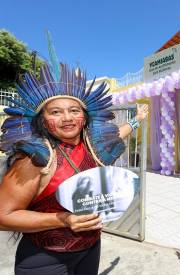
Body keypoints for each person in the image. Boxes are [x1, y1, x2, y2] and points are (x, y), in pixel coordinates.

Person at [0, 63, 148, 275]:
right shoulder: (36, 159)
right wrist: (63, 220)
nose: (67, 118)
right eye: (56, 112)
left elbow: (119, 133)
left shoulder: (93, 148)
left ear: (85, 116)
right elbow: (3, 216)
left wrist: (137, 120)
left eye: (74, 110)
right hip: (45, 260)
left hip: (90, 250)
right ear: (42, 119)